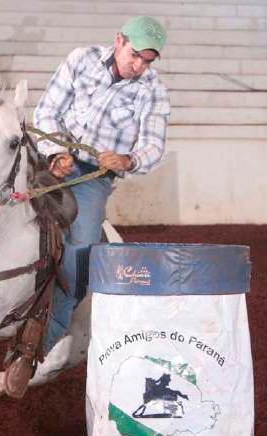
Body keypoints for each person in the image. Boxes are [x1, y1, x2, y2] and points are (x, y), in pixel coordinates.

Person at [33, 16, 170, 353]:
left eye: (147, 60)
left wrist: (127, 160)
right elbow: (46, 112)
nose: (138, 66)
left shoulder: (153, 90)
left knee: (81, 252)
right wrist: (56, 151)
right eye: (135, 55)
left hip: (93, 178)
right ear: (119, 41)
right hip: (50, 153)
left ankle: (42, 342)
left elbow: (153, 145)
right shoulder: (81, 59)